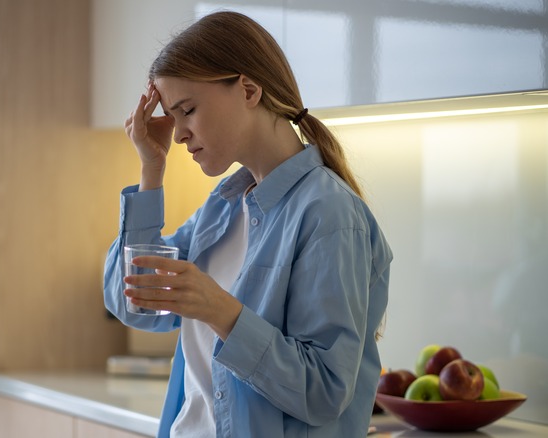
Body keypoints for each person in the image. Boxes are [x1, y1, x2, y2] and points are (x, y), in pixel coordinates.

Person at [102, 10, 392, 438]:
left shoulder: (329, 215)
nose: (178, 134)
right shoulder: (221, 209)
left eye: (188, 110)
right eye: (173, 116)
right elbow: (133, 303)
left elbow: (325, 391)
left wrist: (221, 311)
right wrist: (152, 169)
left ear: (249, 90)